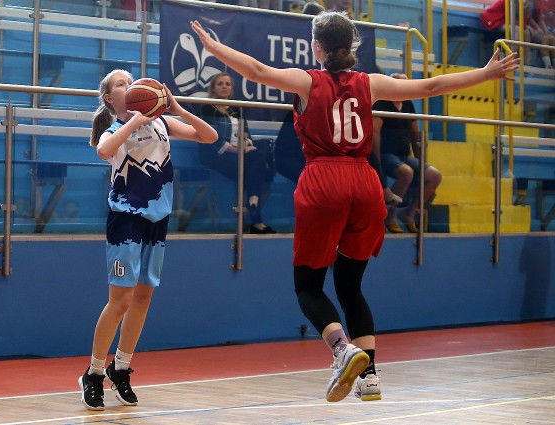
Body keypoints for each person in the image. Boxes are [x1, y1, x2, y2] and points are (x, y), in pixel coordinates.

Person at [190, 12, 519, 402]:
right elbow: (431, 85)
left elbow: (257, 70)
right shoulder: (371, 83)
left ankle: (342, 349)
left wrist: (214, 48)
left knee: (308, 287)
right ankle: (370, 376)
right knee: (351, 287)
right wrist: (485, 74)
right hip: (365, 184)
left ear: (317, 46)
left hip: (324, 181)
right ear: (352, 44)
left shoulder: (307, 81)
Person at [79, 69, 217, 410]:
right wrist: (134, 120)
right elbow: (103, 150)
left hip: (158, 219)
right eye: (121, 84)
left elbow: (209, 136)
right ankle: (93, 373)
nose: (130, 85)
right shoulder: (114, 129)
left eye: (132, 80)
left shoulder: (163, 124)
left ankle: (121, 367)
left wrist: (177, 109)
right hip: (126, 218)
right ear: (111, 99)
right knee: (120, 300)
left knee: (143, 298)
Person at [199, 72, 276, 234]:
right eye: (220, 84)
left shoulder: (236, 108)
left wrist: (247, 145)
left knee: (258, 154)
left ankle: (252, 207)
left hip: (241, 153)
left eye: (227, 84)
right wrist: (236, 149)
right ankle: (254, 217)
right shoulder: (207, 108)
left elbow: (247, 134)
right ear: (213, 88)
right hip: (219, 154)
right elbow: (212, 137)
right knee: (255, 172)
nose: (224, 87)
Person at [373, 73, 442, 233]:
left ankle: (409, 213)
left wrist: (421, 160)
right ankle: (389, 216)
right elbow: (374, 134)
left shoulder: (407, 104)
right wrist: (376, 161)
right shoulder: (381, 103)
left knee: (434, 176)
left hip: (404, 155)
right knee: (406, 173)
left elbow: (414, 133)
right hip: (386, 154)